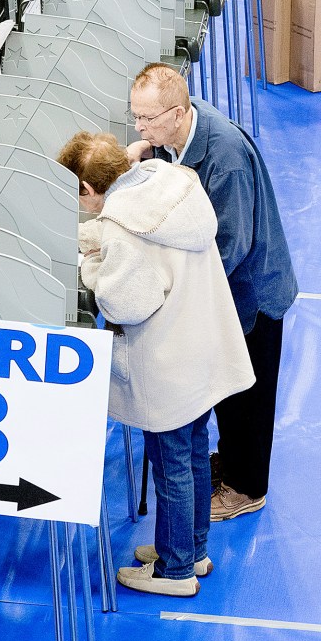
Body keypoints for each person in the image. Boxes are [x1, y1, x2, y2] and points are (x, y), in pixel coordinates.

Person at [58, 132, 254, 597]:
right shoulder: (169, 185)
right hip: (201, 349)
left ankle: (175, 571)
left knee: (170, 466)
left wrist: (89, 262)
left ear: (88, 188)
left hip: (168, 364)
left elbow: (126, 303)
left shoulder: (126, 229)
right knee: (194, 452)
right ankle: (191, 548)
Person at [127, 65, 298, 522]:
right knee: (224, 388)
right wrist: (146, 151)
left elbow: (231, 244)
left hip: (253, 293)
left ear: (178, 113)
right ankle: (233, 459)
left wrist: (171, 292)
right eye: (136, 117)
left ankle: (247, 487)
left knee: (247, 393)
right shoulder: (178, 139)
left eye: (147, 120)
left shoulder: (225, 157)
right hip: (225, 293)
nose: (139, 128)